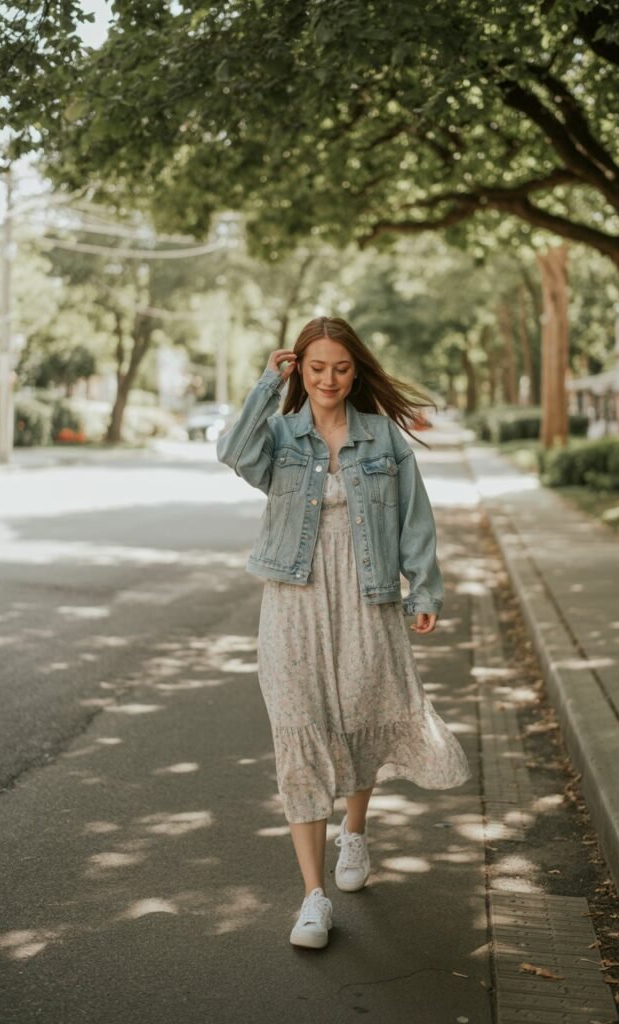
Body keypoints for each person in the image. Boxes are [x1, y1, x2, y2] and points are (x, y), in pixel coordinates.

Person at [216, 316, 471, 950]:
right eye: (315, 367)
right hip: (293, 601)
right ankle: (312, 896)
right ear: (298, 370)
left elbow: (416, 518)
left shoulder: (384, 438)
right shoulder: (278, 435)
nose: (328, 379)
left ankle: (353, 832)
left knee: (360, 715)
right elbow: (231, 451)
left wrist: (425, 588)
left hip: (368, 595)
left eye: (341, 367)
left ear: (357, 370)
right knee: (300, 729)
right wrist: (263, 384)